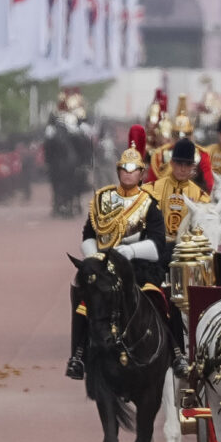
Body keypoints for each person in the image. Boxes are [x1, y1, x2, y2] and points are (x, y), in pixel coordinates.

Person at [68, 128, 163, 379]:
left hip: (138, 267)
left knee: (162, 303)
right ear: (118, 171)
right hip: (103, 267)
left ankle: (176, 353)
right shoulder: (102, 199)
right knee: (81, 296)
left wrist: (129, 252)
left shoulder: (149, 203)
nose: (128, 174)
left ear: (141, 173)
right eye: (124, 170)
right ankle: (77, 355)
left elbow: (156, 244)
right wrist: (93, 258)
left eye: (133, 170)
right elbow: (88, 234)